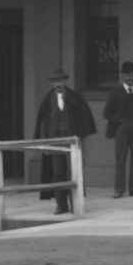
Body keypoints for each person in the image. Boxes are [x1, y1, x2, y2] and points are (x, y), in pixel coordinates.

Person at [33, 67, 97, 214]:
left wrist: (78, 137)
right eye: (55, 81)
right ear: (52, 83)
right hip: (55, 142)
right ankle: (61, 205)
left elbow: (83, 117)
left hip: (71, 141)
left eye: (60, 80)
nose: (58, 84)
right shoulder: (48, 100)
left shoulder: (74, 97)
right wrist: (46, 144)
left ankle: (75, 203)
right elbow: (43, 123)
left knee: (73, 172)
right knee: (58, 173)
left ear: (64, 81)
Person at [103, 61, 133, 198]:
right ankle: (119, 189)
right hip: (121, 129)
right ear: (122, 76)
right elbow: (107, 113)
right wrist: (119, 120)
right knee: (121, 158)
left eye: (131, 74)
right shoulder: (116, 92)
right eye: (126, 74)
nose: (129, 77)